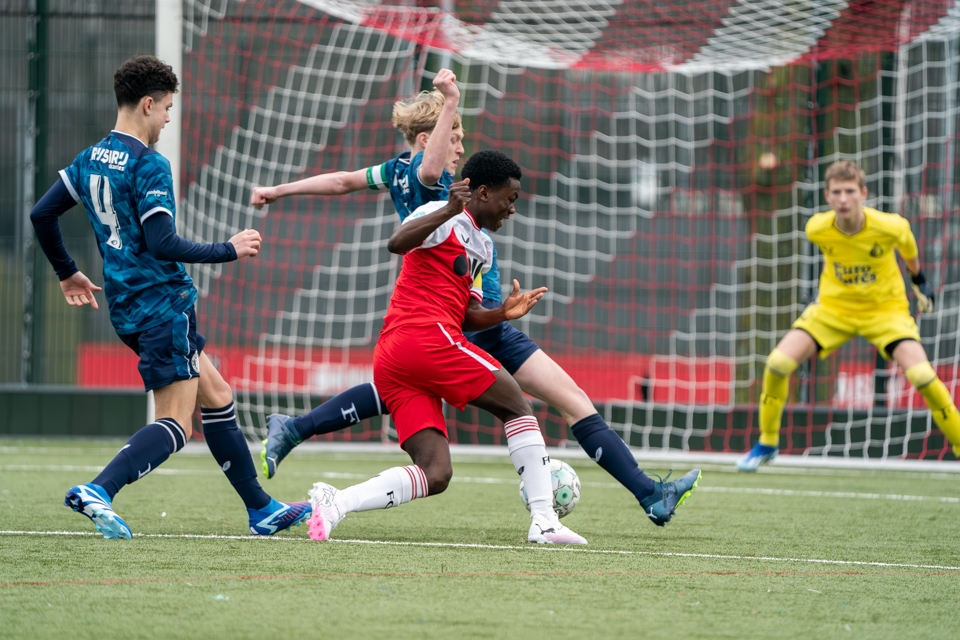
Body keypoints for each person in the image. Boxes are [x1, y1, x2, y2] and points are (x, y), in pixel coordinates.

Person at [253, 71, 700, 526]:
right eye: (455, 137)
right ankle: (551, 518)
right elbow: (424, 172)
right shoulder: (434, 186)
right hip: (453, 320)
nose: (461, 149)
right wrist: (451, 98)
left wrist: (279, 190)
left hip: (477, 316)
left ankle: (299, 440)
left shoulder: (394, 173)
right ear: (430, 138)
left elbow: (342, 182)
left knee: (546, 398)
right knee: (522, 403)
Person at [30, 55, 311, 539]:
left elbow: (42, 214)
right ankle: (99, 489)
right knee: (177, 423)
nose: (167, 118)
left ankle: (260, 509)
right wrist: (231, 248)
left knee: (219, 395)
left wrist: (68, 273)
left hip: (127, 307)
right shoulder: (148, 164)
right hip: (163, 306)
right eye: (166, 109)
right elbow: (162, 243)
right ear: (146, 104)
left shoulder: (91, 157)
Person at [308, 152, 587, 544]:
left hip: (398, 356)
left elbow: (469, 313)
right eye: (510, 198)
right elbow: (396, 243)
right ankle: (544, 520)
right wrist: (448, 210)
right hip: (423, 337)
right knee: (517, 405)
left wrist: (502, 313)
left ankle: (336, 501)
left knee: (435, 472)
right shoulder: (442, 213)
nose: (512, 208)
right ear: (484, 192)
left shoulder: (483, 246)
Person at [737, 160, 960, 471]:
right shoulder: (816, 228)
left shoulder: (891, 226)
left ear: (863, 193)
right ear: (827, 196)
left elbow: (909, 249)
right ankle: (767, 443)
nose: (843, 198)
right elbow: (834, 253)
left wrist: (918, 279)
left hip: (885, 312)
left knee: (922, 376)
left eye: (850, 191)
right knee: (777, 365)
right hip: (833, 310)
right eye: (837, 192)